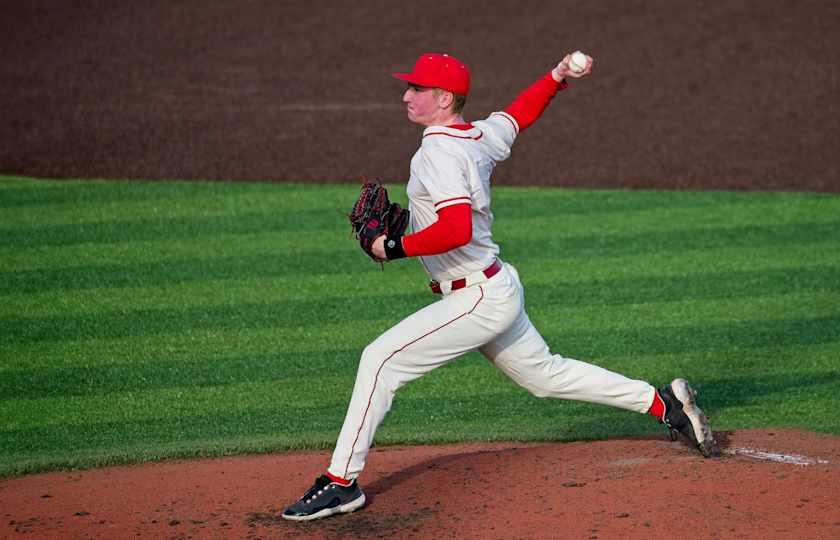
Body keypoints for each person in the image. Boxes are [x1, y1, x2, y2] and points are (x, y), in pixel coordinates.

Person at [281, 51, 717, 522]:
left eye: (417, 89)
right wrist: (555, 77)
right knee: (545, 376)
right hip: (493, 286)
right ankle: (663, 403)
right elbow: (518, 115)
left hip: (477, 299)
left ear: (444, 98)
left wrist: (392, 245)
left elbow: (456, 229)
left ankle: (341, 482)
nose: (406, 95)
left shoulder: (438, 153)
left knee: (380, 360)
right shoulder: (477, 135)